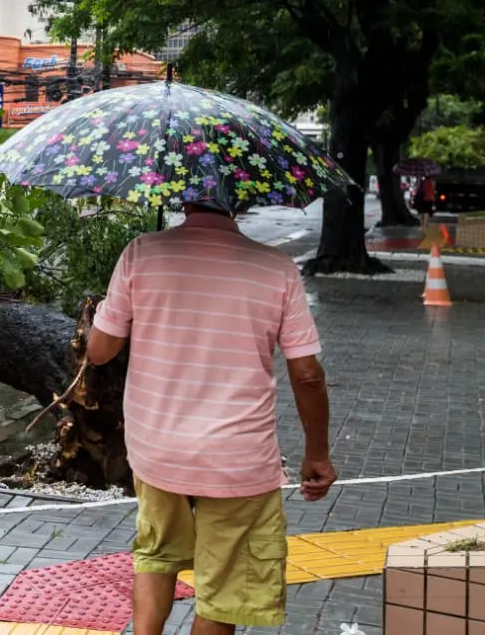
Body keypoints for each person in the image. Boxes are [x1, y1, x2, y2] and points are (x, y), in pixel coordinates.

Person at [86, 201, 336, 634]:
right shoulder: (276, 268)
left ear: (185, 196)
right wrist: (318, 453)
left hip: (157, 450)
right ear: (240, 199)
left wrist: (104, 318)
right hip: (238, 460)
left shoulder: (141, 253)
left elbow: (100, 351)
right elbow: (308, 375)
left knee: (156, 553)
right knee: (226, 587)